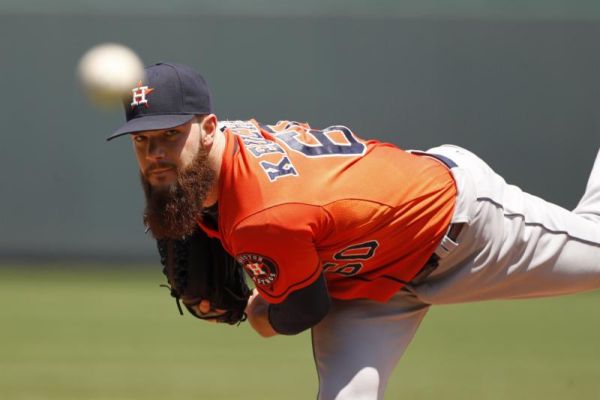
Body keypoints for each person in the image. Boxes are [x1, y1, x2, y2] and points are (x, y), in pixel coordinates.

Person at [108, 62, 600, 399]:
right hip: (361, 281)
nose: (156, 154)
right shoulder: (220, 150)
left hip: (459, 231)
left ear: (210, 126)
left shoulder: (263, 216)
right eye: (143, 141)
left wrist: (260, 314)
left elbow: (304, 307)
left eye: (171, 135)